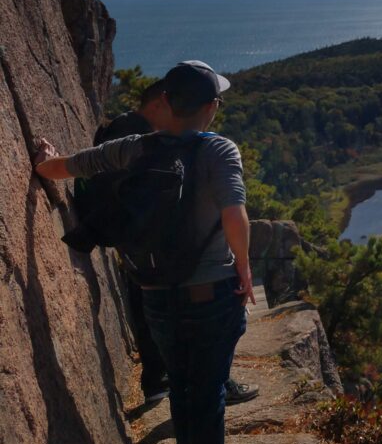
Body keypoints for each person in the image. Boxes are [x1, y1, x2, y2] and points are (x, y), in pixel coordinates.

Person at [34, 60, 262, 444]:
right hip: (211, 294)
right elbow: (235, 215)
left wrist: (42, 160)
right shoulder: (219, 150)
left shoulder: (134, 148)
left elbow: (71, 166)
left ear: (164, 103)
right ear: (211, 107)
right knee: (210, 389)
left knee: (181, 381)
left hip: (155, 293)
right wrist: (243, 267)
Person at [83, 79, 259, 406]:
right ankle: (198, 386)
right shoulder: (137, 136)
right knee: (198, 332)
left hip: (141, 251)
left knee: (163, 321)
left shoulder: (133, 134)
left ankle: (161, 381)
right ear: (160, 105)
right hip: (159, 251)